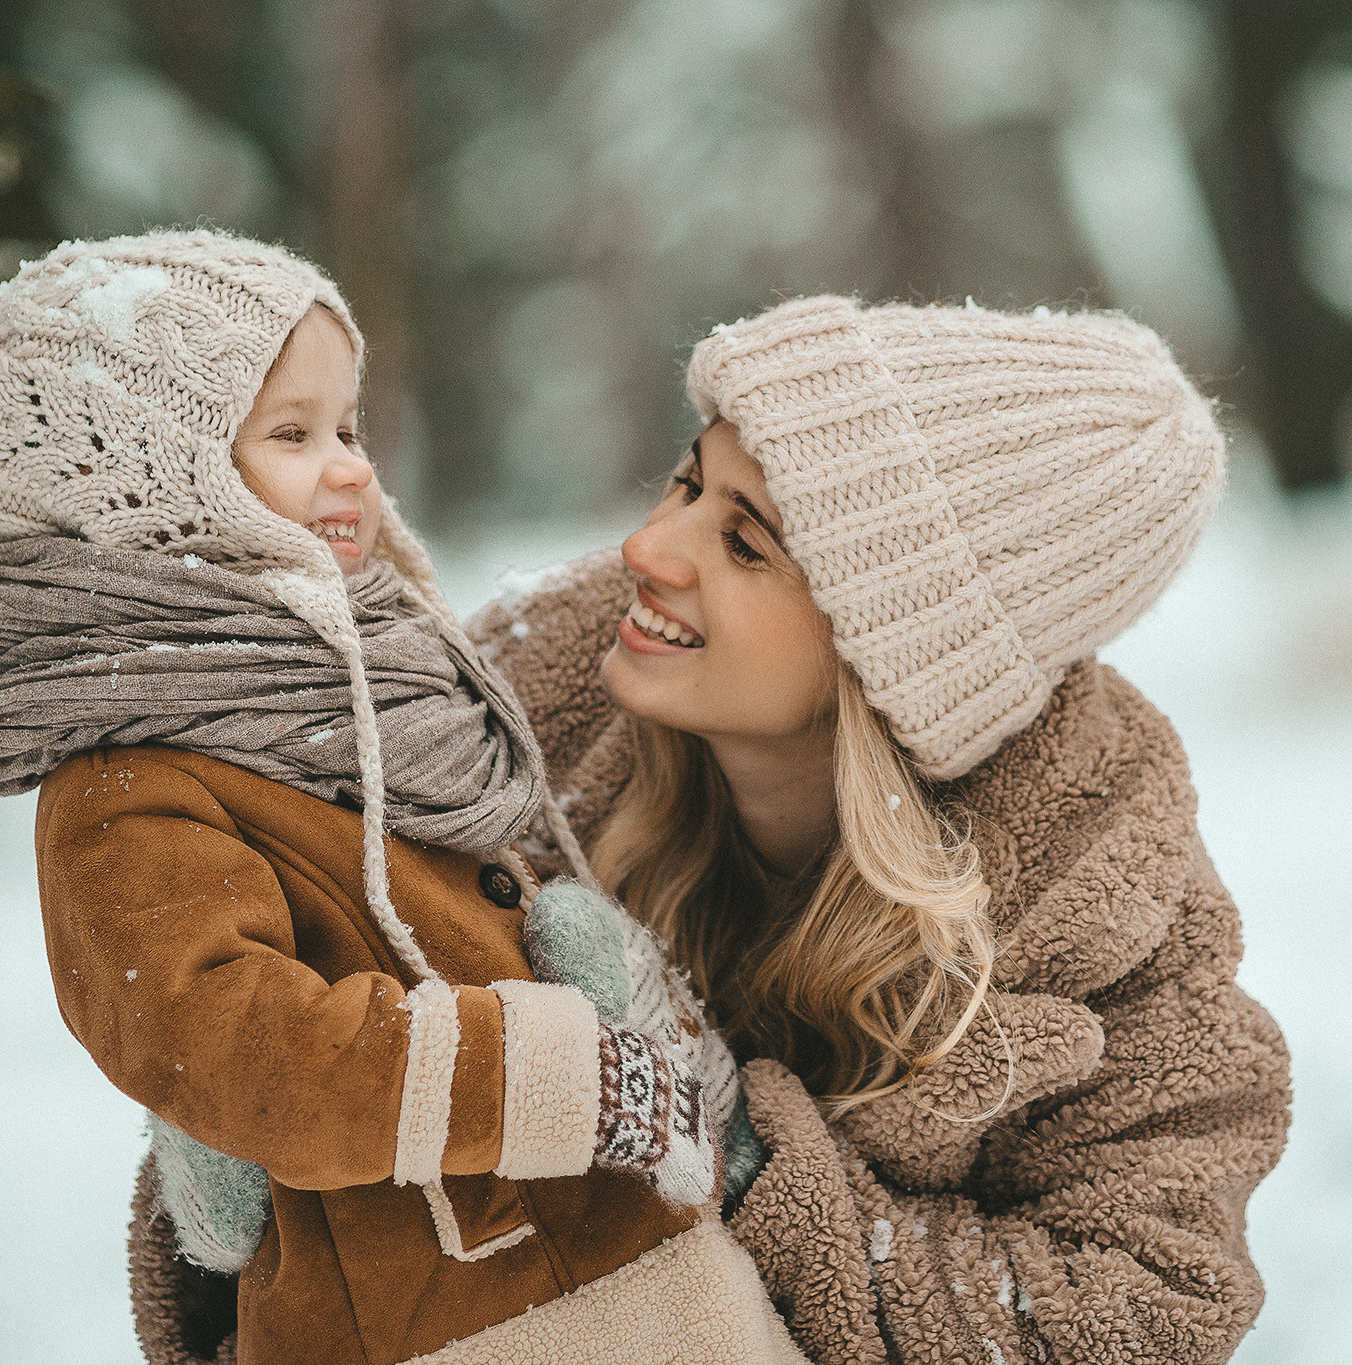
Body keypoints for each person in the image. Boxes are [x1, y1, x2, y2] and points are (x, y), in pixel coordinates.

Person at [0, 231, 803, 1365]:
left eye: (347, 428)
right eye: (292, 435)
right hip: (441, 1323)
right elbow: (225, 1042)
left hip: (641, 1284)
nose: (351, 466)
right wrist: (556, 1072)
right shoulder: (127, 776)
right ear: (154, 489)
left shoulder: (387, 677)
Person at [468, 295, 1293, 1364]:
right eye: (686, 481)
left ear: (889, 659)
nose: (646, 545)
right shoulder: (516, 717)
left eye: (743, 543)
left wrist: (732, 1150)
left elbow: (1136, 1314)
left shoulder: (1101, 915)